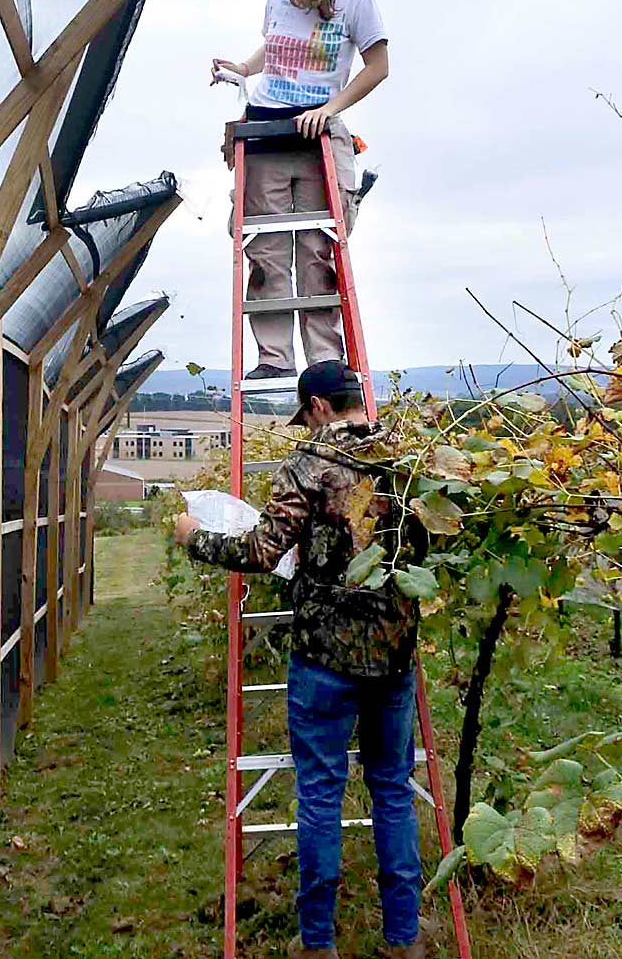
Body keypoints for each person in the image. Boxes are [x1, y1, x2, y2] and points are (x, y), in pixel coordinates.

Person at [173, 361, 425, 959]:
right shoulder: (408, 462)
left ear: (316, 406)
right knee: (392, 789)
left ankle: (317, 944)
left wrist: (193, 538)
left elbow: (263, 551)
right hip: (393, 656)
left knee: (319, 794)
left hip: (325, 659)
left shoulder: (310, 465)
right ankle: (404, 940)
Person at [212, 0, 389, 381]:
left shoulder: (354, 1)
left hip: (315, 136)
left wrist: (329, 109)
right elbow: (274, 48)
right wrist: (243, 71)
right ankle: (274, 356)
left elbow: (377, 66)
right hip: (266, 129)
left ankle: (324, 358)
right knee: (265, 249)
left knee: (318, 247)